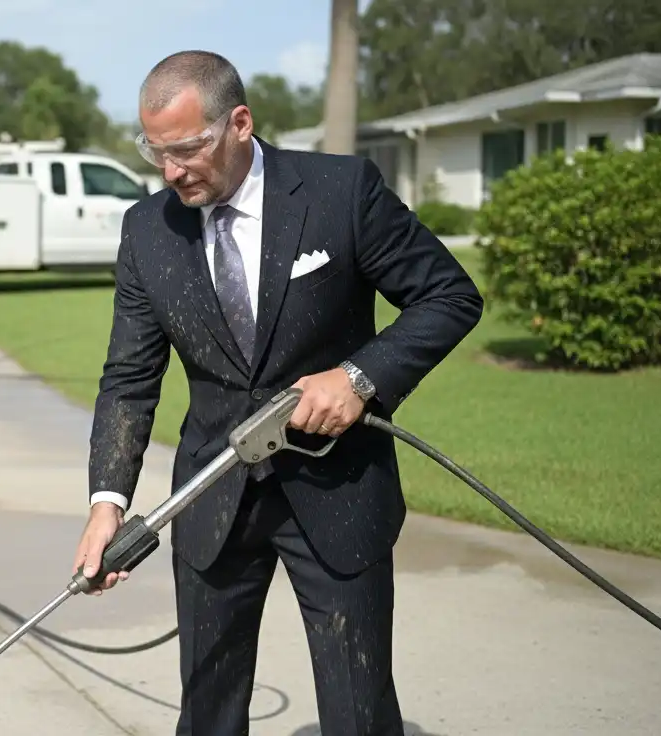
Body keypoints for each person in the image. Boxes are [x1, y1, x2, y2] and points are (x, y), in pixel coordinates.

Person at [72, 50, 484, 735]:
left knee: (358, 712)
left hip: (338, 495)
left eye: (187, 149)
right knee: (207, 714)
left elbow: (448, 296)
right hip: (211, 499)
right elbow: (129, 378)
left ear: (239, 123)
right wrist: (106, 504)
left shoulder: (340, 192)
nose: (171, 171)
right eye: (155, 152)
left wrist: (358, 378)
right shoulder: (147, 230)